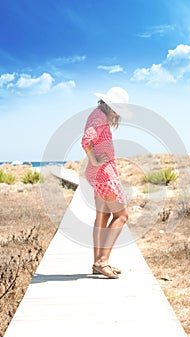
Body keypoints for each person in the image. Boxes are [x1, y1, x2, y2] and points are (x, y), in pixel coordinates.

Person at [81, 87, 129, 279]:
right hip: (103, 175)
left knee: (103, 215)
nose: (117, 112)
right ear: (108, 104)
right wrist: (94, 160)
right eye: (116, 108)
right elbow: (86, 141)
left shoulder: (98, 114)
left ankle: (97, 263)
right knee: (122, 215)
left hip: (100, 173)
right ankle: (102, 261)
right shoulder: (99, 117)